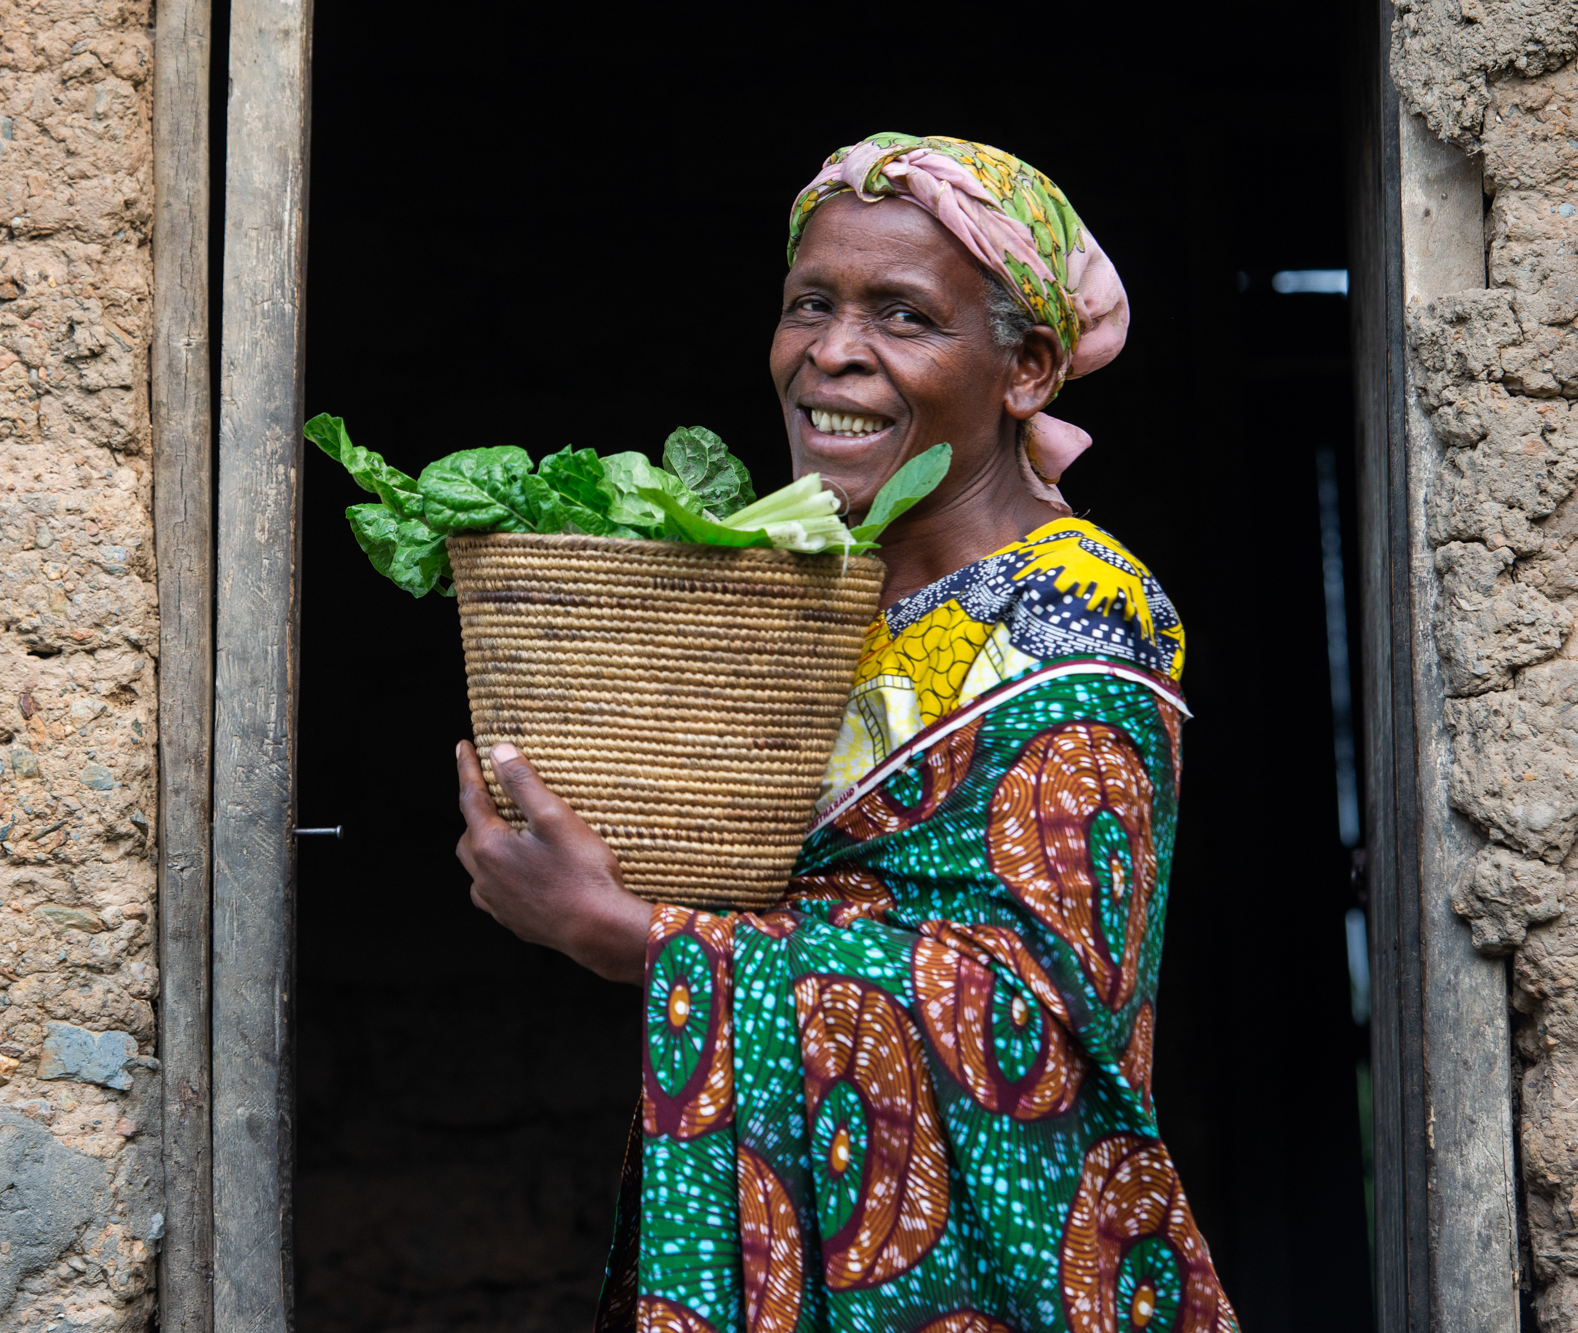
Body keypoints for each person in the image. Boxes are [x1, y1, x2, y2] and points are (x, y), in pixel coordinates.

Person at [454, 133, 1236, 1333]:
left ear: (1024, 366)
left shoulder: (1076, 613)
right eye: (807, 304)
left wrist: (637, 941)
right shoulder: (805, 599)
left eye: (902, 316)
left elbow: (1027, 1023)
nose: (831, 352)